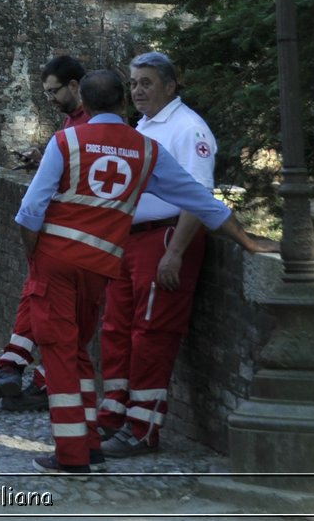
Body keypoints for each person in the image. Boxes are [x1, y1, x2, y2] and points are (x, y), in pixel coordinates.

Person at [14, 68, 276, 476]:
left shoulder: (66, 141)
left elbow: (30, 213)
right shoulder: (146, 148)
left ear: (84, 101)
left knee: (60, 353)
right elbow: (200, 199)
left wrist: (35, 259)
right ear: (121, 102)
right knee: (79, 348)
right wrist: (247, 242)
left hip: (58, 260)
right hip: (102, 264)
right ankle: (90, 443)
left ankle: (71, 456)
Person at [95, 51, 223, 457]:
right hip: (129, 240)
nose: (137, 91)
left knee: (151, 334)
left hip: (164, 239)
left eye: (146, 82)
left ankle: (143, 426)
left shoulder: (189, 129)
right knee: (116, 329)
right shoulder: (145, 126)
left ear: (170, 85)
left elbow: (200, 196)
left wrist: (176, 253)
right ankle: (113, 414)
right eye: (133, 83)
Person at [0, 54, 91, 412]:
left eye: (53, 92)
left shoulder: (89, 123)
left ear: (74, 86)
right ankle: (15, 368)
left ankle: (36, 380)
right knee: (37, 299)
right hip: (67, 232)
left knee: (64, 317)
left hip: (74, 233)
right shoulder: (71, 122)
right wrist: (44, 158)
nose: (49, 99)